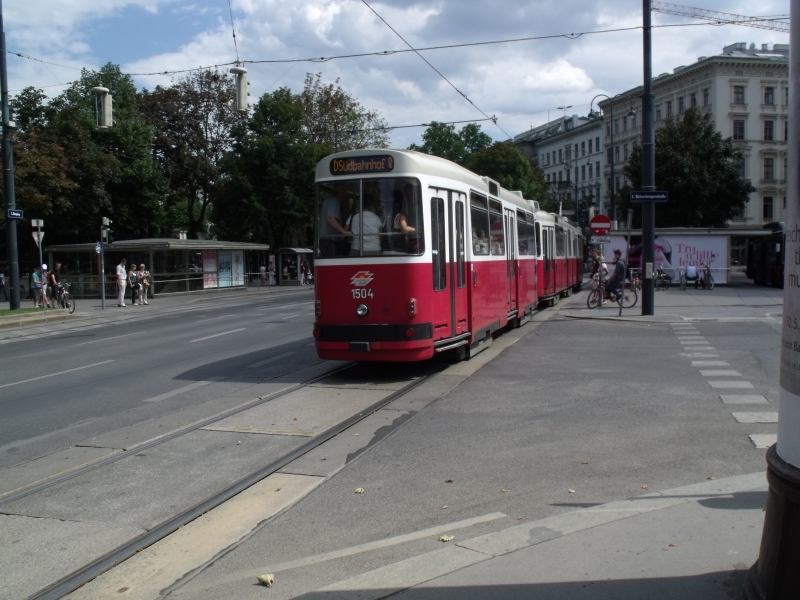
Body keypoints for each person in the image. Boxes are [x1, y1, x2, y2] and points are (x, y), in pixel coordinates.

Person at [320, 184, 352, 255]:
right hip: (330, 240)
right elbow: (330, 218)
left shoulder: (329, 200)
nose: (346, 193)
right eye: (344, 191)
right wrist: (343, 231)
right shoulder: (334, 201)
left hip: (326, 240)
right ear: (339, 191)